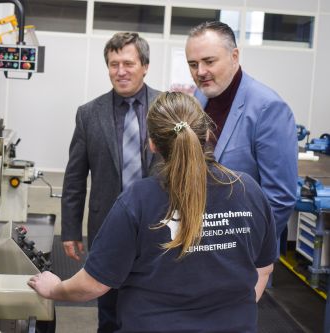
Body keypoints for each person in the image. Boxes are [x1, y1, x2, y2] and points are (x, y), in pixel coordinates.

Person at [30, 92, 277, 333]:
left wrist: (55, 289)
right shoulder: (247, 190)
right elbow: (263, 268)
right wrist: (228, 314)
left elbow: (94, 284)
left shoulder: (137, 200)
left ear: (152, 143)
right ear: (208, 133)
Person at [60, 32, 160, 332]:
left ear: (145, 65)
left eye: (128, 63)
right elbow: (75, 177)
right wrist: (70, 230)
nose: (120, 71)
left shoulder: (167, 107)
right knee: (109, 307)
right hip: (108, 225)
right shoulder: (89, 114)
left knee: (154, 306)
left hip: (159, 225)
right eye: (113, 64)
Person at [184, 21, 298, 239]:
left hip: (245, 252)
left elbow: (280, 198)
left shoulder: (269, 108)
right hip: (201, 242)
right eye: (193, 64)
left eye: (209, 61)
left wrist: (249, 252)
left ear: (234, 56)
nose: (200, 72)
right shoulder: (200, 98)